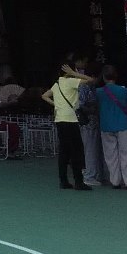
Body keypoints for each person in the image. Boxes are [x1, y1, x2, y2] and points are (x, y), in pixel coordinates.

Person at [43, 58, 95, 190]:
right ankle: (79, 181)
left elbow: (44, 96)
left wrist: (56, 105)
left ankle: (63, 180)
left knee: (64, 151)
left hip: (59, 119)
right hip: (71, 120)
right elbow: (90, 80)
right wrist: (74, 73)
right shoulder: (71, 81)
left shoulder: (57, 83)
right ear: (69, 70)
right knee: (76, 151)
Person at [97, 66, 127, 189]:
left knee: (110, 155)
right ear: (116, 76)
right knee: (126, 154)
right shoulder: (123, 91)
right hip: (123, 124)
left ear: (103, 77)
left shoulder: (99, 92)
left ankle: (115, 181)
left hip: (106, 125)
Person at [76, 57, 104, 185]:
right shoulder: (84, 86)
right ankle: (90, 176)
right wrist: (92, 109)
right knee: (90, 149)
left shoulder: (90, 87)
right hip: (87, 122)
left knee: (94, 149)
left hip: (92, 122)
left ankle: (96, 174)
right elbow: (80, 104)